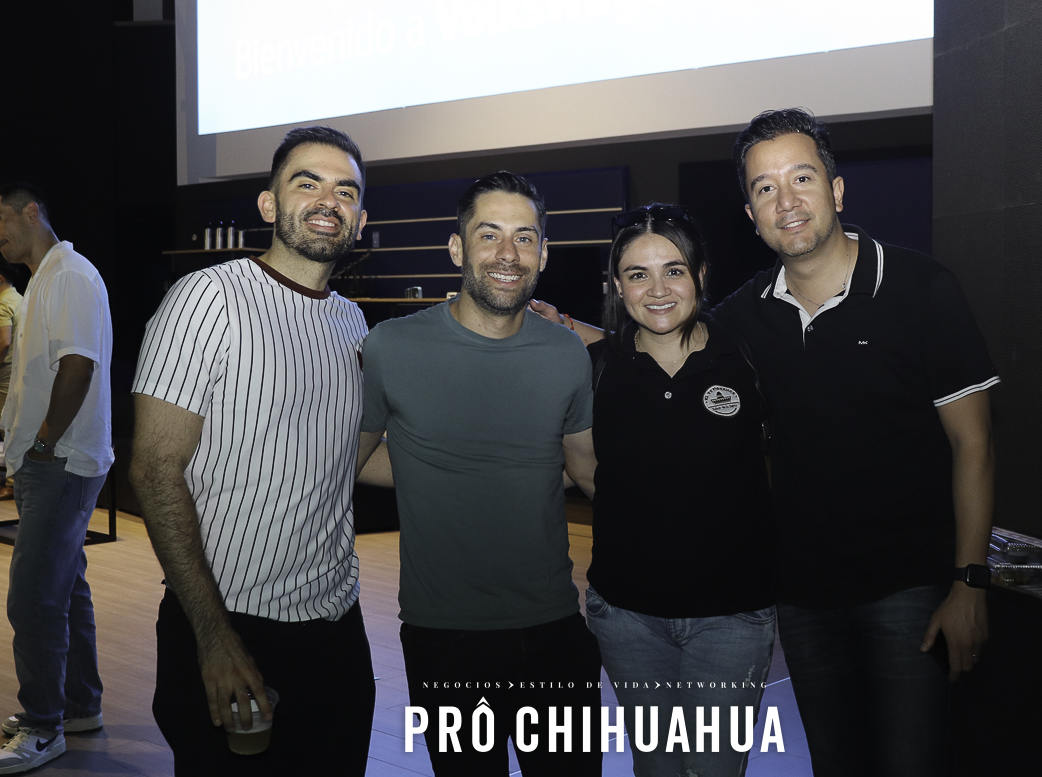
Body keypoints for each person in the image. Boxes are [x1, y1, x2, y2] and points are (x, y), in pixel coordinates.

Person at [533, 108, 998, 776]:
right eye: (765, 187)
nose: (787, 200)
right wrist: (566, 329)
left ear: (837, 190)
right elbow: (664, 331)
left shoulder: (923, 289)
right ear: (751, 215)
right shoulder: (745, 318)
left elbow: (975, 444)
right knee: (834, 763)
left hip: (909, 587)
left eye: (801, 178)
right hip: (801, 592)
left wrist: (969, 581)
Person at [128, 126, 379, 775]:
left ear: (360, 219)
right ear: (269, 204)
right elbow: (154, 470)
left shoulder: (352, 323)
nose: (328, 200)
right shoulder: (208, 298)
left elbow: (341, 458)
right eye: (308, 182)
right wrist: (214, 636)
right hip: (229, 621)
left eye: (346, 190)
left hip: (337, 624)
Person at [357, 171, 602, 777]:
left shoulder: (566, 352)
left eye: (525, 237)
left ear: (544, 253)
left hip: (554, 626)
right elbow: (353, 459)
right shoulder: (390, 347)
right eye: (489, 235)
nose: (507, 254)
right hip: (445, 637)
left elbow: (584, 470)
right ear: (457, 248)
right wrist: (438, 470)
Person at [582, 205, 775, 777]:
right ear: (618, 286)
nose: (658, 290)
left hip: (732, 617)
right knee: (657, 766)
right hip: (627, 617)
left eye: (674, 270)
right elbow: (587, 472)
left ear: (701, 274)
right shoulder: (594, 369)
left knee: (716, 768)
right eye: (637, 274)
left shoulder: (747, 357)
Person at [0, 183, 112, 774]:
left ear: (31, 212)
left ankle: (44, 726)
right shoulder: (46, 277)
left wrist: (43, 444)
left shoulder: (67, 274)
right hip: (50, 461)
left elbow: (78, 366)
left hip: (60, 461)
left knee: (33, 598)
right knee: (64, 588)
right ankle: (77, 706)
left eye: (1, 218)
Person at [0, 258, 23, 501]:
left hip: (4, 373)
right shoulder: (20, 299)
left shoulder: (3, 303)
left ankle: (12, 483)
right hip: (19, 372)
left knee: (8, 429)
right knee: (13, 427)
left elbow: (4, 342)